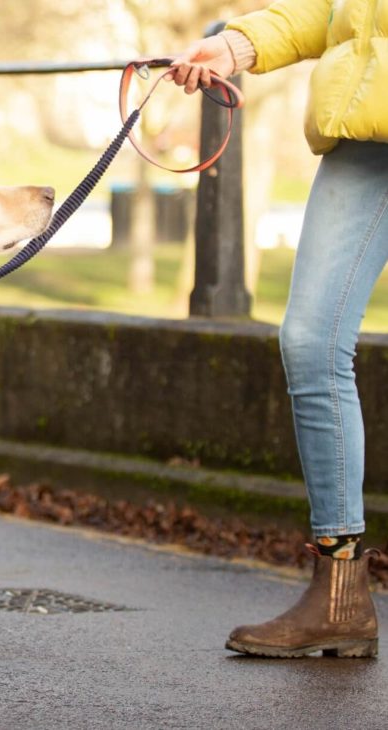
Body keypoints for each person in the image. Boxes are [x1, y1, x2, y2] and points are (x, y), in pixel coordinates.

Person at [169, 0, 387, 658]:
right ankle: (341, 589)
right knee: (311, 342)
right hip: (366, 131)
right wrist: (236, 45)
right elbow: (332, 10)